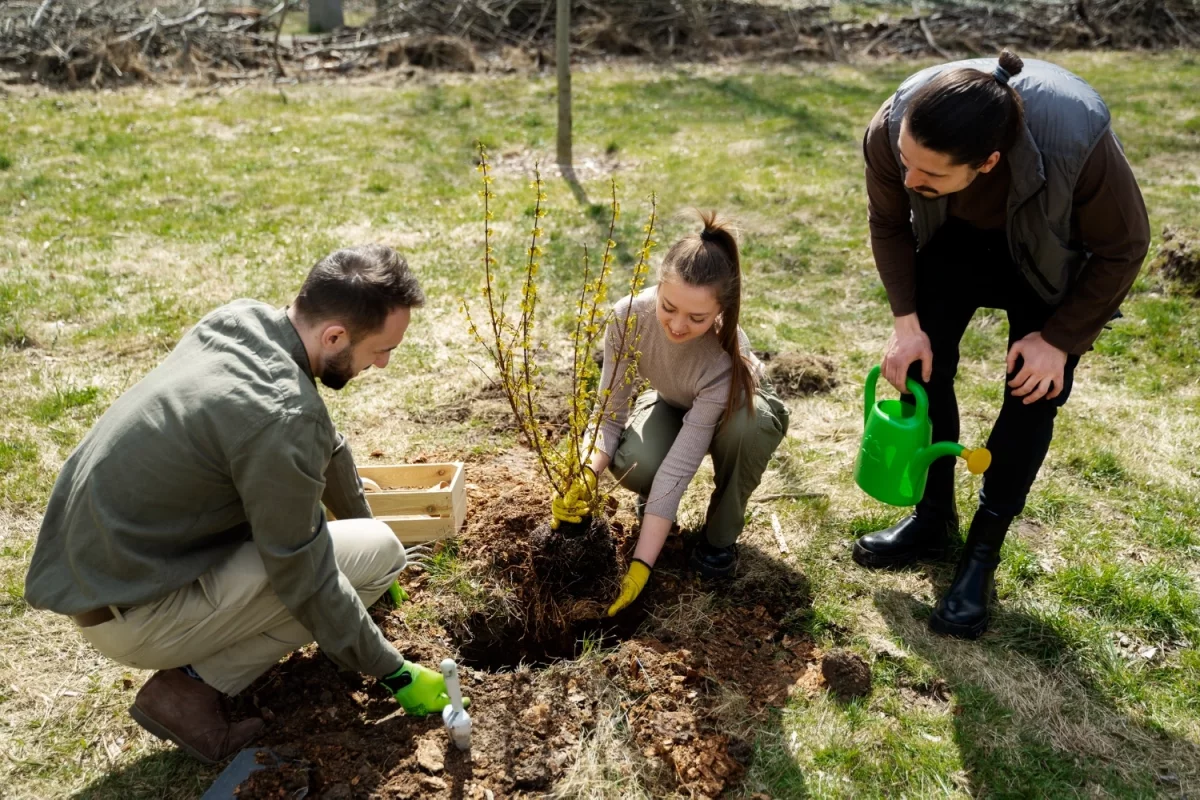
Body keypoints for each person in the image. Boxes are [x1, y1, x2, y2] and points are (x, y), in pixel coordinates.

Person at [25, 244, 466, 764]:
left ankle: (192, 673)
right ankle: (188, 690)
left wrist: (360, 522)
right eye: (381, 349)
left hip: (111, 572)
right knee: (375, 554)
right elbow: (304, 574)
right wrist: (392, 669)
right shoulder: (282, 416)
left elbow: (330, 446)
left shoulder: (241, 322)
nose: (384, 363)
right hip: (136, 615)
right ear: (334, 337)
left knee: (368, 549)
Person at [855, 50, 1150, 638]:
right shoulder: (894, 130)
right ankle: (933, 518)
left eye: (929, 175)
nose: (910, 179)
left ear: (988, 162)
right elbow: (889, 222)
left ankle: (982, 554)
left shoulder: (1077, 144)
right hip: (955, 240)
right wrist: (906, 324)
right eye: (906, 163)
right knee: (922, 367)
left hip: (1046, 250)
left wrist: (1060, 342)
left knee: (1034, 391)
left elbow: (1125, 245)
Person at [557, 213, 791, 616]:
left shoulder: (723, 355)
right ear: (659, 285)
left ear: (721, 309)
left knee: (744, 433)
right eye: (669, 307)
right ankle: (654, 515)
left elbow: (679, 470)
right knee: (638, 464)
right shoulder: (627, 316)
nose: (678, 326)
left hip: (742, 409)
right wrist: (585, 473)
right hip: (677, 398)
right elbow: (609, 417)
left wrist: (639, 568)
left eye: (697, 318)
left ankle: (719, 539)